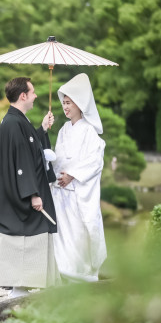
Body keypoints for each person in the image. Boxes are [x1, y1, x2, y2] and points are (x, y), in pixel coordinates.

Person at [0, 77, 60, 298]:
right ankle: (19, 288)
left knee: (33, 235)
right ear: (23, 96)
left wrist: (42, 129)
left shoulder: (18, 120)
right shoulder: (13, 122)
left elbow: (29, 148)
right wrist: (33, 194)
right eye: (33, 92)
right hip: (23, 194)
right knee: (26, 236)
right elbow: (22, 162)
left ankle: (24, 286)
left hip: (25, 190)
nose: (36, 96)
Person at [50, 73, 106, 282]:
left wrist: (72, 175)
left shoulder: (89, 131)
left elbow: (95, 162)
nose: (65, 107)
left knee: (83, 231)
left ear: (80, 104)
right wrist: (57, 176)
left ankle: (84, 274)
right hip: (61, 191)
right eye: (63, 103)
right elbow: (59, 159)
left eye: (69, 103)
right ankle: (64, 272)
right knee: (63, 235)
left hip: (78, 191)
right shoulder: (64, 129)